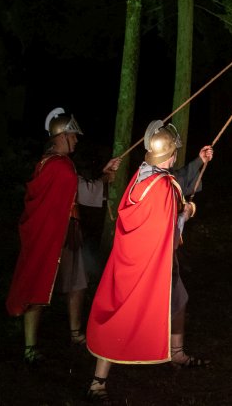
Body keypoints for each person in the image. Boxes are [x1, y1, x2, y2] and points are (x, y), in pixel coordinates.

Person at [86, 121, 213, 402]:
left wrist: (199, 162)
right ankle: (97, 382)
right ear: (171, 154)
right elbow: (170, 227)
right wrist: (188, 212)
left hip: (135, 260)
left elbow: (176, 180)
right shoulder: (163, 186)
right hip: (150, 265)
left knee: (179, 299)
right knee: (121, 317)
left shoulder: (143, 174)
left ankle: (177, 354)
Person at [6, 107, 120, 365]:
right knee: (38, 285)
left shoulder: (53, 164)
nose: (76, 140)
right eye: (73, 135)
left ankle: (74, 334)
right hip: (55, 235)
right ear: (61, 136)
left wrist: (104, 176)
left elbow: (79, 190)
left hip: (66, 232)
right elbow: (84, 192)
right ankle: (31, 348)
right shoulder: (58, 167)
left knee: (77, 282)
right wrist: (105, 179)